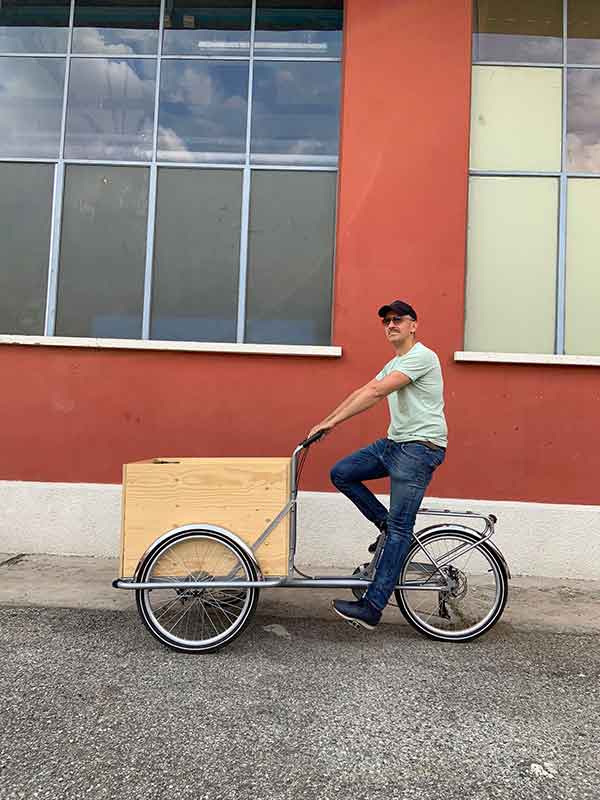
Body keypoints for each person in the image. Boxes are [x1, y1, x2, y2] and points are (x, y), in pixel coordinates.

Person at [307, 300, 448, 630]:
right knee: (342, 473)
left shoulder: (422, 357)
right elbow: (362, 390)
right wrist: (324, 423)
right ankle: (388, 527)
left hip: (419, 448)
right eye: (386, 321)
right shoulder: (395, 361)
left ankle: (372, 606)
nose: (390, 324)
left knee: (401, 529)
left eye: (398, 319)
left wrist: (335, 422)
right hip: (395, 444)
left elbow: (375, 392)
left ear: (414, 325)